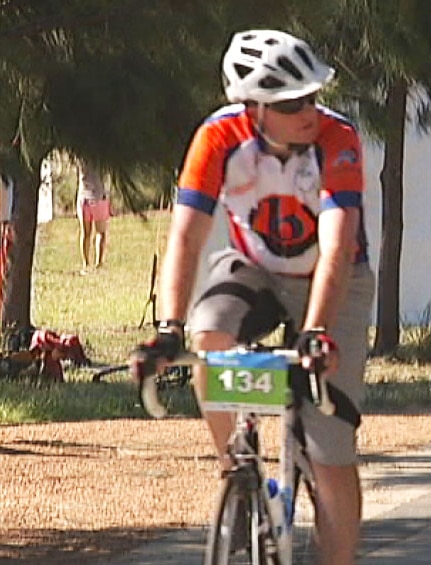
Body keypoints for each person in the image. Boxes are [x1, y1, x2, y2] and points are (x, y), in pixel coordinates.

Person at [130, 29, 374, 564]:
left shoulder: (337, 137)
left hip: (335, 281)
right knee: (208, 329)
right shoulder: (218, 138)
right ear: (252, 109)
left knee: (330, 449)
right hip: (257, 268)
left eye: (312, 96)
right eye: (290, 104)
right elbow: (187, 237)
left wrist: (316, 332)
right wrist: (168, 327)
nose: (308, 110)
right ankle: (234, 469)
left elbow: (337, 244)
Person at [75, 159, 109, 272]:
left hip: (83, 196)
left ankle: (86, 264)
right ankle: (98, 263)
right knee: (101, 232)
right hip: (98, 196)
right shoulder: (102, 154)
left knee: (86, 233)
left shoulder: (80, 155)